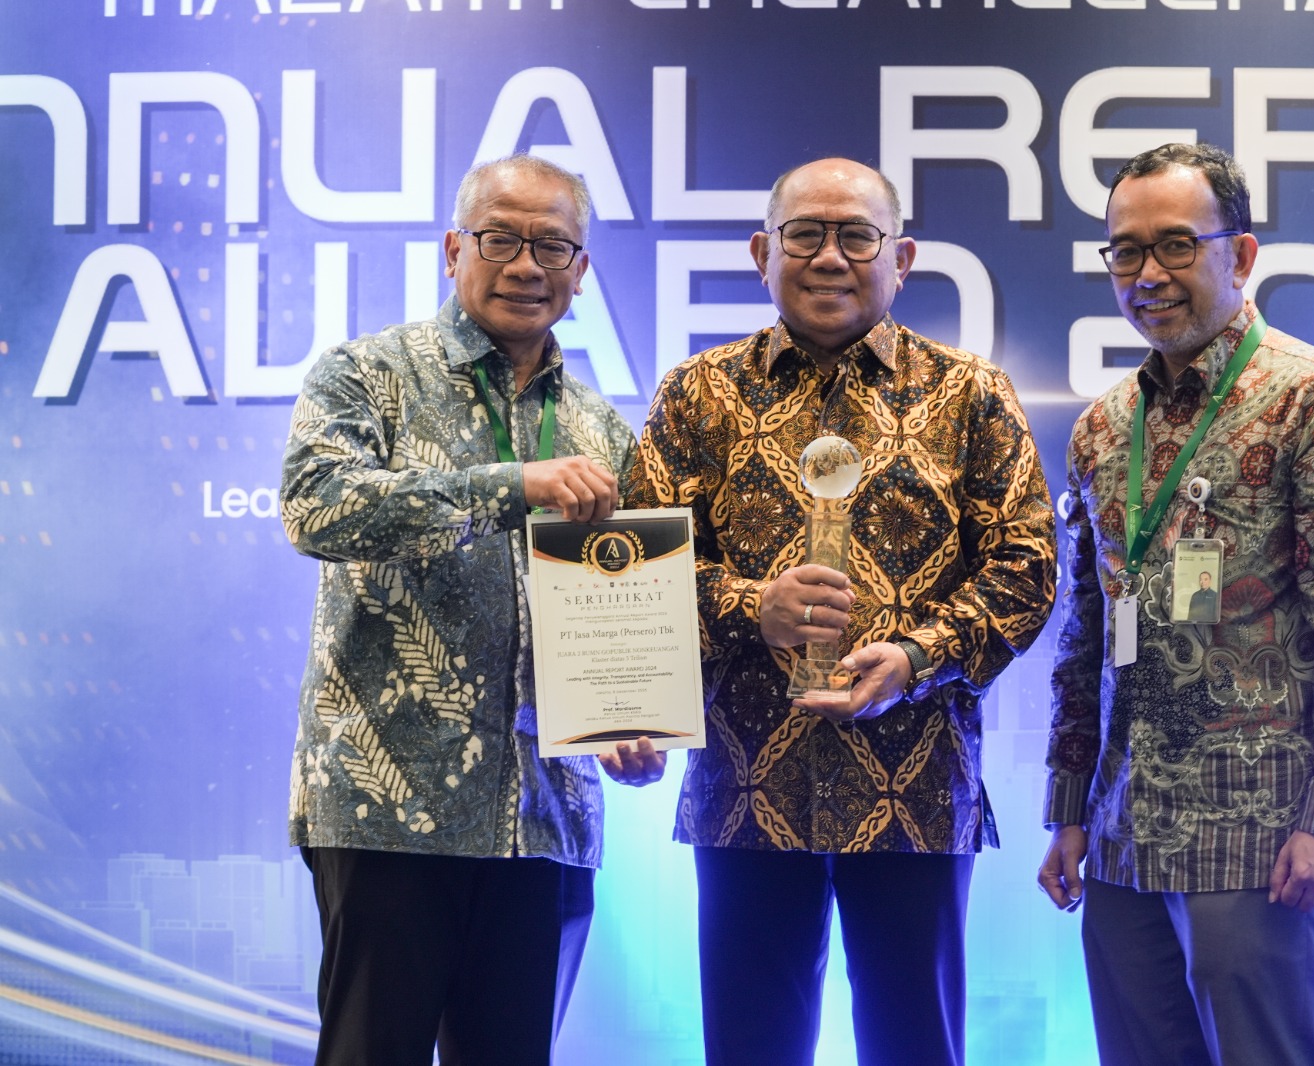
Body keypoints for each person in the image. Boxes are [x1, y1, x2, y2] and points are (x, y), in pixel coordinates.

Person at [629, 157, 1057, 1066]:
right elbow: (637, 569)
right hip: (746, 786)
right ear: (762, 253)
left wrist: (917, 657)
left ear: (901, 258)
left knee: (915, 1047)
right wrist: (753, 606)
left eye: (858, 236)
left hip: (917, 784)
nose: (831, 257)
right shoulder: (695, 393)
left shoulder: (972, 394)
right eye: (805, 235)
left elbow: (1027, 569)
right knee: (748, 1050)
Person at [280, 153, 666, 1066]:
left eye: (551, 246)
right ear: (455, 249)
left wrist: (628, 717)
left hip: (547, 820)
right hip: (389, 808)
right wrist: (511, 485)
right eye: (500, 239)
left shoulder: (604, 428)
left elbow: (627, 600)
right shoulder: (367, 375)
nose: (526, 265)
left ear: (580, 270)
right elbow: (315, 508)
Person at [1037, 142, 1314, 1065]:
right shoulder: (1102, 426)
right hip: (1123, 836)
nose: (1147, 274)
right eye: (1126, 250)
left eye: (1175, 245)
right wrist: (1069, 805)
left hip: (1262, 840)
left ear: (1239, 257)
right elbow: (1086, 632)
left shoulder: (1310, 400)